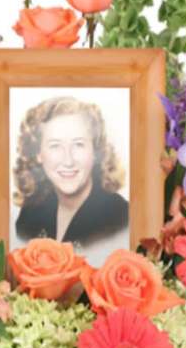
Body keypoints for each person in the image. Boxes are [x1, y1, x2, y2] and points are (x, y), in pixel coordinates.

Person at [13, 96, 128, 260]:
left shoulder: (121, 219)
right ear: (38, 154)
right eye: (55, 145)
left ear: (95, 152)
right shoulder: (29, 214)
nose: (68, 160)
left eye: (78, 144)